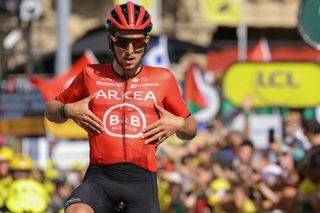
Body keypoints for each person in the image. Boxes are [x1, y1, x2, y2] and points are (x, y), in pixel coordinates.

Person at [45, 1, 197, 213]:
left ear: (146, 41)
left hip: (141, 180)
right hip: (100, 177)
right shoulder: (91, 74)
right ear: (111, 39)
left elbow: (191, 129)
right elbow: (51, 111)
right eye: (123, 42)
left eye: (137, 43)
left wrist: (180, 123)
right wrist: (67, 110)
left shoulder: (163, 78)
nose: (130, 51)